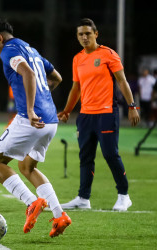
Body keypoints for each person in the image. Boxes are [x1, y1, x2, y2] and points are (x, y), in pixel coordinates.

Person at [0, 19, 71, 238]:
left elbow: (29, 74)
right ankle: (59, 215)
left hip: (30, 120)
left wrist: (31, 110)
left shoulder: (8, 51)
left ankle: (32, 203)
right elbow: (57, 77)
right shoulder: (30, 48)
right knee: (27, 167)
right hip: (50, 121)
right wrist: (43, 98)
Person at [58, 18, 140, 211]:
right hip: (85, 116)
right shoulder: (77, 58)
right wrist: (67, 110)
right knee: (85, 157)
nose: (84, 37)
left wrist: (132, 106)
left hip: (106, 113)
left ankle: (123, 195)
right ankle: (83, 198)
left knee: (110, 154)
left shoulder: (108, 54)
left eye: (88, 33)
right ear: (77, 37)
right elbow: (76, 88)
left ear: (96, 34)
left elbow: (122, 81)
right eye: (81, 34)